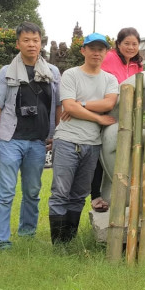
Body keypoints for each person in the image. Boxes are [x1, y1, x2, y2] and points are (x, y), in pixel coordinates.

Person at [0, 22, 61, 250]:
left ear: (41, 43)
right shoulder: (6, 72)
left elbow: (58, 107)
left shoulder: (53, 73)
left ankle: (27, 233)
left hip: (37, 142)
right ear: (18, 44)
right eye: (26, 40)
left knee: (32, 191)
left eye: (35, 40)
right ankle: (2, 241)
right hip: (9, 140)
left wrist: (55, 135)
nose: (31, 44)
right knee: (5, 193)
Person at [48, 33, 118, 244]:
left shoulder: (109, 79)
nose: (96, 53)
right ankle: (58, 245)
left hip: (92, 144)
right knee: (61, 192)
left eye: (101, 49)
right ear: (83, 50)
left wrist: (82, 105)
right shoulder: (70, 74)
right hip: (67, 140)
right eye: (92, 48)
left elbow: (109, 104)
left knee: (79, 194)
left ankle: (69, 241)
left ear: (106, 53)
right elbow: (68, 107)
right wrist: (97, 117)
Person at [90, 27, 143, 212]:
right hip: (104, 113)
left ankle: (113, 194)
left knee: (120, 155)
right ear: (118, 44)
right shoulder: (109, 57)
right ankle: (95, 195)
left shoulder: (137, 65)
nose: (130, 47)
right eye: (126, 43)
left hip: (126, 117)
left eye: (134, 44)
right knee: (98, 155)